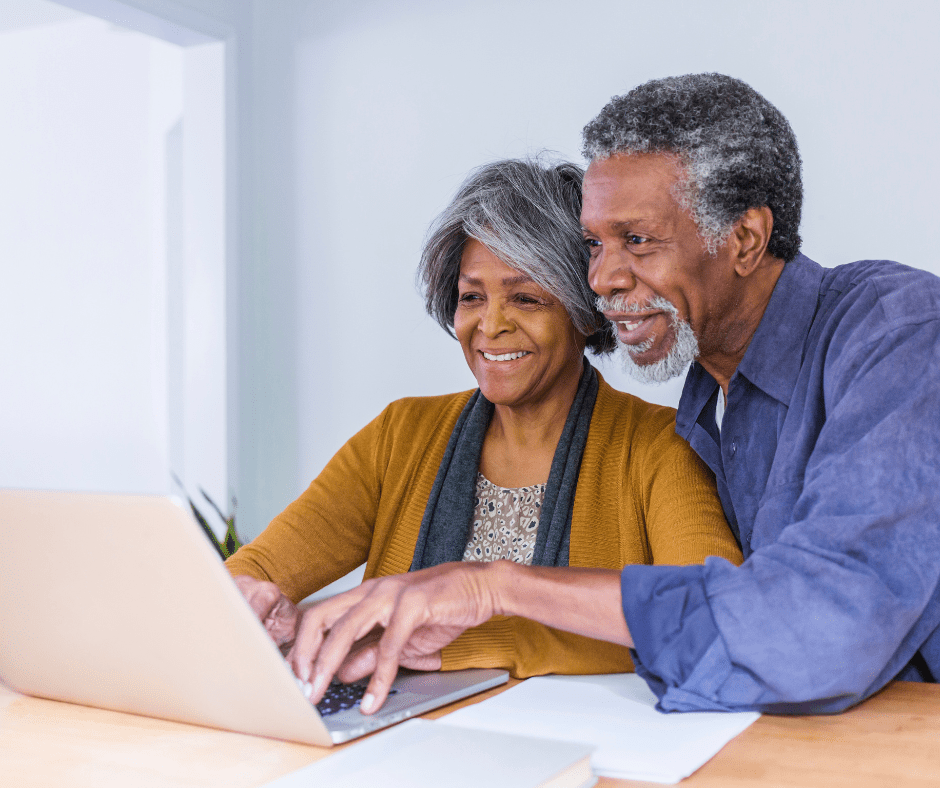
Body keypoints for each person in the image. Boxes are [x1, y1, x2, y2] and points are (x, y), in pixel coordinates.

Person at [287, 74, 940, 718]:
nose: (601, 276)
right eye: (595, 244)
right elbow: (725, 629)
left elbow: (812, 630)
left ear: (744, 239)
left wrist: (494, 588)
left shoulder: (895, 330)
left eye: (637, 240)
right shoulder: (709, 400)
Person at [226, 157, 741, 694]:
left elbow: (710, 621)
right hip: (400, 737)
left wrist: (454, 642)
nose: (490, 325)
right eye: (472, 297)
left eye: (525, 298)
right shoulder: (400, 436)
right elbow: (257, 569)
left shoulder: (661, 448)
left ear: (586, 311)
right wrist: (257, 606)